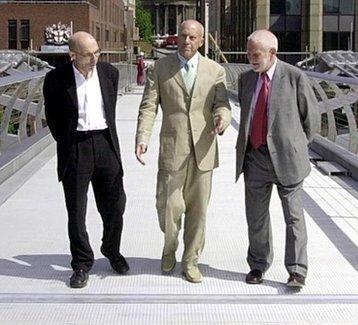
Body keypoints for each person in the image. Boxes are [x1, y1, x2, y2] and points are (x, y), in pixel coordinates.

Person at [135, 20, 231, 283]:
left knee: (198, 212)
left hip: (204, 150)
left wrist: (222, 119)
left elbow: (222, 104)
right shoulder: (159, 68)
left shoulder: (215, 71)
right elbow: (149, 106)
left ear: (201, 41)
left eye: (192, 37)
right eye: (183, 36)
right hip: (172, 149)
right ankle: (169, 248)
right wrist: (142, 138)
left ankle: (190, 260)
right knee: (168, 207)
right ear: (177, 38)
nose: (187, 41)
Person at [43, 31, 128, 289]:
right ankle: (81, 262)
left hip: (105, 143)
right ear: (73, 56)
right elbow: (53, 118)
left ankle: (111, 250)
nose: (94, 59)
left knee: (116, 203)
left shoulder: (109, 73)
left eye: (97, 53)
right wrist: (68, 142)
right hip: (76, 146)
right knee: (77, 210)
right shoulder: (55, 79)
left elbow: (110, 111)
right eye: (88, 54)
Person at [236, 29, 318, 291]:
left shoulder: (295, 77)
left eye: (256, 54)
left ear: (273, 53)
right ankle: (258, 264)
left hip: (287, 160)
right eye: (249, 53)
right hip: (256, 158)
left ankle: (296, 271)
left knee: (293, 218)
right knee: (256, 216)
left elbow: (311, 120)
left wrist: (297, 146)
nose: (251, 59)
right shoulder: (245, 79)